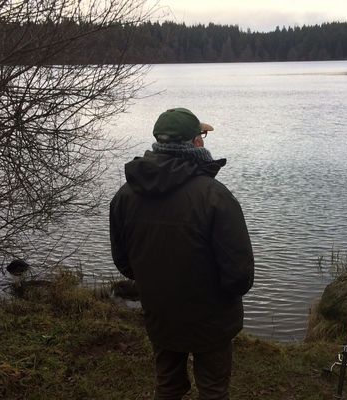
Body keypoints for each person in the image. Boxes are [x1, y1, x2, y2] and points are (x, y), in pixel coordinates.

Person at [109, 107, 254, 400]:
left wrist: (154, 283)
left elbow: (123, 262)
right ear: (195, 144)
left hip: (160, 313)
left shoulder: (124, 196)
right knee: (213, 389)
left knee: (168, 386)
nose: (204, 140)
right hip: (212, 318)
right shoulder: (215, 196)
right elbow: (239, 275)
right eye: (201, 135)